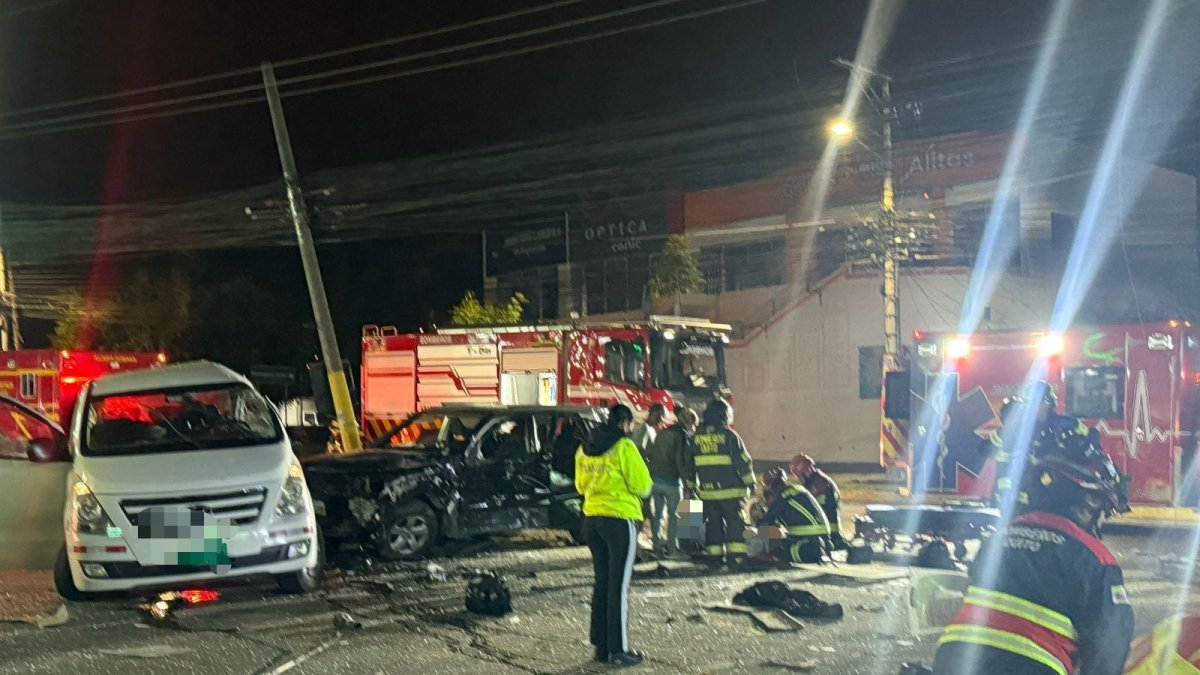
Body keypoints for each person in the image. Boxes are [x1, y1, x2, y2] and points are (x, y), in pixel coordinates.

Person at [932, 434, 1133, 675]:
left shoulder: (999, 538)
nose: (1104, 519)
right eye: (1106, 509)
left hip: (952, 658)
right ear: (1090, 500)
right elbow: (1109, 647)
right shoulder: (1097, 560)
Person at [575, 404, 652, 667]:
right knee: (618, 587)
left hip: (591, 520)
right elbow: (643, 485)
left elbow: (579, 485)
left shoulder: (585, 447)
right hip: (618, 521)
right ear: (626, 423)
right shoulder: (624, 446)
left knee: (602, 584)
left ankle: (600, 647)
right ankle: (619, 651)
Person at [687, 398, 756, 568]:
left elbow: (689, 464)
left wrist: (690, 486)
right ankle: (736, 558)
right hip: (731, 492)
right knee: (734, 524)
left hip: (708, 493)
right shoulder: (729, 436)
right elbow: (743, 461)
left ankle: (714, 559)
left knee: (713, 525)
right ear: (725, 415)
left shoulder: (696, 438)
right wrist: (751, 483)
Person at [645, 407, 697, 557]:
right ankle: (672, 549)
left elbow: (650, 453)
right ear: (688, 423)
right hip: (672, 482)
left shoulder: (662, 432)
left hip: (654, 480)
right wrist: (688, 483)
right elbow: (681, 461)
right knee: (674, 516)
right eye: (692, 425)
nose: (692, 428)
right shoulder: (682, 436)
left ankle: (656, 545)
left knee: (658, 514)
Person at [755, 467, 830, 564]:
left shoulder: (783, 496)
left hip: (807, 544)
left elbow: (766, 522)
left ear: (772, 488)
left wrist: (756, 521)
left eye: (768, 492)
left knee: (762, 536)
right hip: (823, 540)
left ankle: (766, 558)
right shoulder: (798, 489)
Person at [789, 454, 846, 551]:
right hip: (826, 530)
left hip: (829, 533)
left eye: (799, 474)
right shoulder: (814, 481)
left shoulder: (819, 483)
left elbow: (817, 508)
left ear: (805, 471)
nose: (799, 478)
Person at [979, 396, 1024, 511]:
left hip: (1022, 486)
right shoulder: (1001, 434)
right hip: (1004, 486)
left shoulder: (1027, 433)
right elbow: (984, 448)